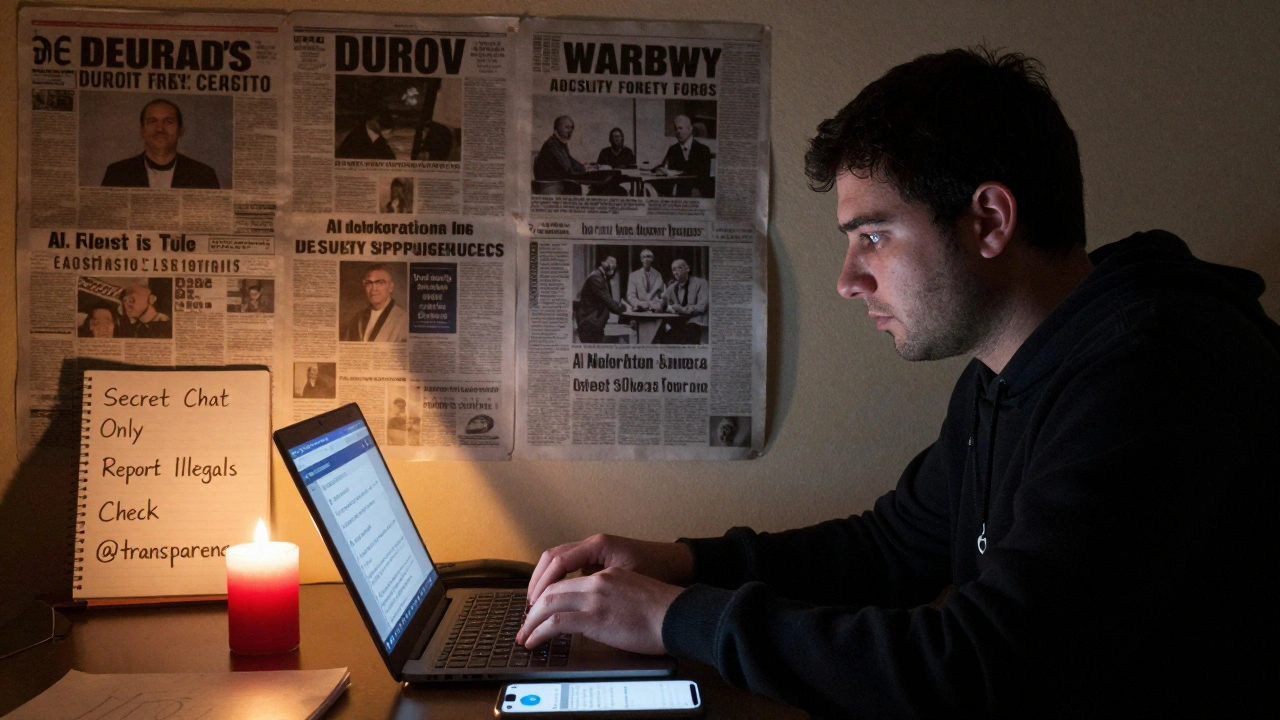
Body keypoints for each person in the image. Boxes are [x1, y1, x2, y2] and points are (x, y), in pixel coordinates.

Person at [517, 47, 1279, 717]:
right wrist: (682, 564)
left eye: (873, 236)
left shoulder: (1157, 372)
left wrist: (678, 619)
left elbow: (981, 667)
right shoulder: (1006, 374)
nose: (849, 280)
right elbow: (891, 548)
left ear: (988, 220)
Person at [101, 99, 220, 189]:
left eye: (168, 122)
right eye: (152, 121)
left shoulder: (204, 175)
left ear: (181, 131)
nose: (160, 129)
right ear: (142, 130)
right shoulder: (117, 173)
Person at [342, 265, 408, 342]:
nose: (374, 289)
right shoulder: (358, 317)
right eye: (369, 283)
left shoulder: (404, 319)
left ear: (391, 287)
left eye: (380, 283)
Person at [574, 255, 631, 344]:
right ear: (602, 262)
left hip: (594, 324)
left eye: (615, 264)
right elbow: (607, 301)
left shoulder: (601, 277)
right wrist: (625, 309)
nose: (613, 266)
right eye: (611, 262)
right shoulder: (596, 278)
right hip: (590, 325)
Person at [654, 114, 713, 197]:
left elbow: (704, 178)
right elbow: (665, 166)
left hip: (695, 194)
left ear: (690, 129)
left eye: (681, 128)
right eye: (676, 129)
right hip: (676, 193)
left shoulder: (703, 150)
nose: (678, 131)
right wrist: (657, 169)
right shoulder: (673, 149)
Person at [656, 259, 708, 345]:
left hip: (696, 322)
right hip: (679, 322)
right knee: (660, 333)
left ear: (687, 269)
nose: (676, 272)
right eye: (673, 270)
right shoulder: (672, 287)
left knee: (679, 336)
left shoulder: (701, 283)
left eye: (679, 268)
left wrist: (683, 309)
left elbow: (702, 307)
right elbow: (665, 302)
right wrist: (661, 304)